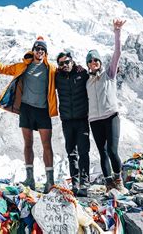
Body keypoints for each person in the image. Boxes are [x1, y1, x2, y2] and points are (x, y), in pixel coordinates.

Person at [0, 37, 58, 193]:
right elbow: (2, 68)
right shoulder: (23, 66)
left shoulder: (51, 69)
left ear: (46, 52)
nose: (40, 52)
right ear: (33, 50)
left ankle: (50, 181)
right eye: (37, 49)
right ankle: (30, 179)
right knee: (28, 143)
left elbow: (65, 77)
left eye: (43, 49)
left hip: (43, 110)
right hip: (26, 109)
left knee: (46, 144)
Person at [86, 19, 128, 194]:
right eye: (90, 61)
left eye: (95, 60)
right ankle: (108, 184)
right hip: (95, 120)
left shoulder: (109, 74)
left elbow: (117, 53)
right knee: (102, 153)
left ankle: (118, 180)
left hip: (111, 116)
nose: (93, 62)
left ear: (100, 62)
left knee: (112, 150)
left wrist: (117, 32)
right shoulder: (87, 82)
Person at [55, 51, 90, 197]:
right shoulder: (57, 77)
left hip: (82, 119)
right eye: (61, 63)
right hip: (67, 121)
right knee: (71, 153)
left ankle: (85, 183)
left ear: (72, 61)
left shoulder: (83, 74)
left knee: (84, 152)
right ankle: (75, 183)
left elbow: (97, 79)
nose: (65, 65)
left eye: (67, 62)